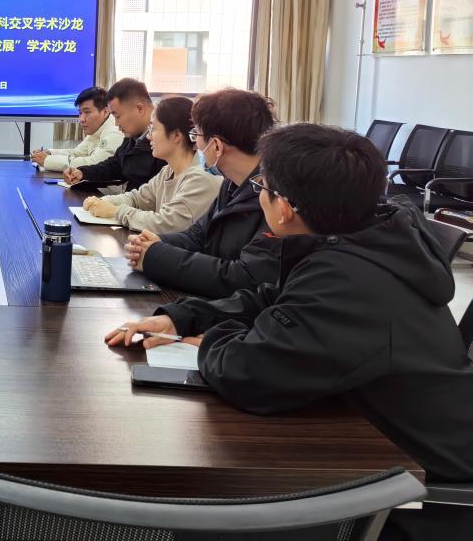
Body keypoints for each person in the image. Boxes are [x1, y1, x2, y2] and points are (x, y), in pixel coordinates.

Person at [106, 124, 473, 540]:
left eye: (263, 186)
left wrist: (212, 339)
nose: (258, 193)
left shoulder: (348, 281)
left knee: (207, 506)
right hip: (370, 435)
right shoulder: (360, 240)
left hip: (418, 495)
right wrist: (187, 316)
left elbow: (246, 372)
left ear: (284, 208)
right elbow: (274, 298)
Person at [123, 87, 279, 298]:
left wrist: (156, 256)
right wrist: (152, 242)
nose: (195, 143)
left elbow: (244, 278)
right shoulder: (231, 184)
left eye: (196, 134)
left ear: (217, 146)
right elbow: (198, 236)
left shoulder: (273, 194)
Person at [82, 96, 220, 234]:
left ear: (176, 136)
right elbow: (137, 198)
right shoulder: (168, 171)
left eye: (153, 128)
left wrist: (116, 211)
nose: (148, 136)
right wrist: (102, 202)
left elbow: (166, 223)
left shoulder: (200, 178)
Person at [62, 78, 164, 192]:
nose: (116, 123)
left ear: (139, 109)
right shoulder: (134, 136)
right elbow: (115, 165)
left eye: (117, 116)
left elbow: (149, 196)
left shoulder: (164, 141)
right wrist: (83, 173)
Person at [31, 86, 123, 172]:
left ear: (105, 111)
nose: (81, 119)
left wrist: (47, 160)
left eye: (87, 112)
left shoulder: (115, 131)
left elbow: (94, 163)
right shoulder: (96, 129)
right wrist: (49, 153)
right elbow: (77, 153)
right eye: (80, 113)